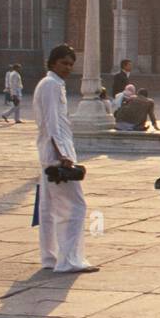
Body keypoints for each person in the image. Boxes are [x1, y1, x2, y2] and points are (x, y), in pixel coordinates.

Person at [32, 44, 98, 273]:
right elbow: (51, 123)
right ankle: (70, 260)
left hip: (48, 153)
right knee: (75, 207)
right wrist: (62, 155)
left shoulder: (51, 84)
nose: (68, 68)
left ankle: (50, 258)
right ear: (52, 63)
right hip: (57, 155)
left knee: (49, 209)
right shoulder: (51, 85)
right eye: (64, 63)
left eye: (71, 64)